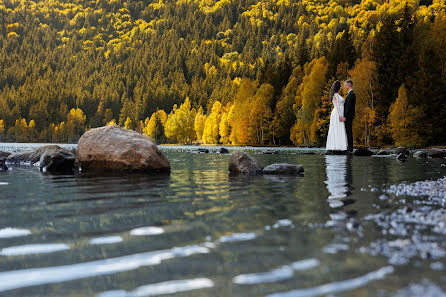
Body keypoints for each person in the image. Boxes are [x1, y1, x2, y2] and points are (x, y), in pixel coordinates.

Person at [326, 80, 347, 151]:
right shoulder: (335, 95)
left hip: (337, 112)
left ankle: (339, 145)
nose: (341, 87)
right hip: (337, 113)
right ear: (338, 87)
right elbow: (337, 105)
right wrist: (340, 116)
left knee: (338, 128)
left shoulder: (336, 95)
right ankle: (338, 146)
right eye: (340, 86)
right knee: (337, 128)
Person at [343, 79, 356, 152]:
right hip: (350, 116)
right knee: (348, 131)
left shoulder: (351, 94)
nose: (344, 86)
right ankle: (349, 146)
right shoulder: (351, 94)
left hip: (348, 117)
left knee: (349, 131)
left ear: (348, 85)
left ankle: (350, 147)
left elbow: (348, 107)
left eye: (345, 85)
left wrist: (345, 116)